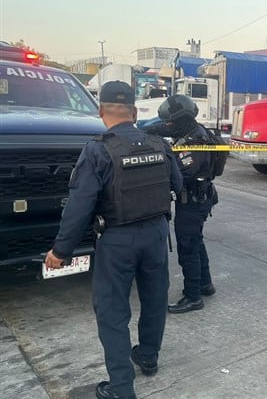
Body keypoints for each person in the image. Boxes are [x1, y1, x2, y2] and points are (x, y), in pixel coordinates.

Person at [44, 81, 183, 399]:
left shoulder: (98, 149)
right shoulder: (159, 143)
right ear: (134, 112)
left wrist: (60, 250)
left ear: (100, 111)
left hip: (118, 239)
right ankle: (147, 356)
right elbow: (176, 183)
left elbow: (79, 207)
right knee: (154, 298)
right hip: (157, 234)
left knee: (112, 311)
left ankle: (121, 387)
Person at [153, 95, 219, 314]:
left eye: (171, 122)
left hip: (191, 201)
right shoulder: (194, 130)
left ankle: (193, 297)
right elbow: (165, 129)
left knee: (188, 247)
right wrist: (146, 130)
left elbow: (180, 176)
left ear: (181, 120)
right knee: (197, 241)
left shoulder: (193, 143)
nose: (168, 125)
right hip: (199, 199)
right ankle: (205, 284)